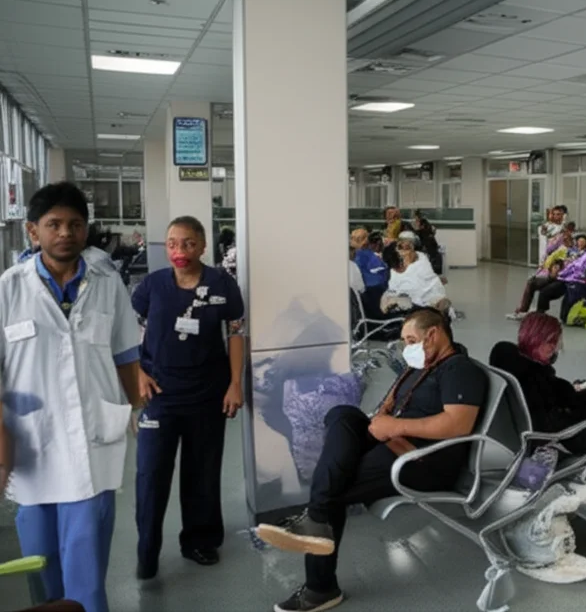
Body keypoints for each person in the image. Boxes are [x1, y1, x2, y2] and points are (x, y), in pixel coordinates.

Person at [256, 309, 487, 612]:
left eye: (411, 339)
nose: (408, 347)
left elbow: (458, 424)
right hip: (393, 441)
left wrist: (396, 426)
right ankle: (316, 521)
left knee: (333, 491)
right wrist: (384, 415)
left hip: (420, 459)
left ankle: (319, 582)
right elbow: (393, 404)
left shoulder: (459, 369)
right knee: (341, 414)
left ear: (433, 334)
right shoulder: (420, 366)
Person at [0, 182, 142, 612]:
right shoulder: (9, 288)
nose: (65, 233)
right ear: (32, 231)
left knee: (87, 567)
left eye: (75, 224)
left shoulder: (106, 281)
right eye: (54, 224)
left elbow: (125, 353)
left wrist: (137, 409)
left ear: (86, 230)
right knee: (41, 563)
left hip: (89, 444)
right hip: (31, 444)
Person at [132, 216, 245, 580]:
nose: (179, 251)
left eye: (188, 244)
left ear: (202, 246)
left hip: (207, 393)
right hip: (160, 395)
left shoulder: (222, 285)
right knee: (151, 474)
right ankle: (147, 550)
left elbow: (236, 335)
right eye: (172, 244)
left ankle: (200, 541)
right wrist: (137, 372)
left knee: (203, 472)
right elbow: (127, 330)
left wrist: (235, 384)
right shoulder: (152, 285)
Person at [489, 313, 586, 539]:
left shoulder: (515, 362)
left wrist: (583, 398)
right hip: (555, 437)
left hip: (536, 423)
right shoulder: (533, 379)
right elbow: (552, 421)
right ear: (541, 341)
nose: (556, 351)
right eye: (553, 344)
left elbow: (551, 391)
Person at [380, 234, 449, 314]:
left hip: (428, 305)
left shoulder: (419, 259)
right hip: (430, 304)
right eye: (404, 248)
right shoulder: (420, 258)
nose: (410, 249)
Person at [413, 210, 444, 275]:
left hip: (428, 243)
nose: (415, 220)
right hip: (428, 243)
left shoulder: (424, 223)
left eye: (416, 218)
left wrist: (418, 230)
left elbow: (420, 231)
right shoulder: (424, 223)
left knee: (433, 256)